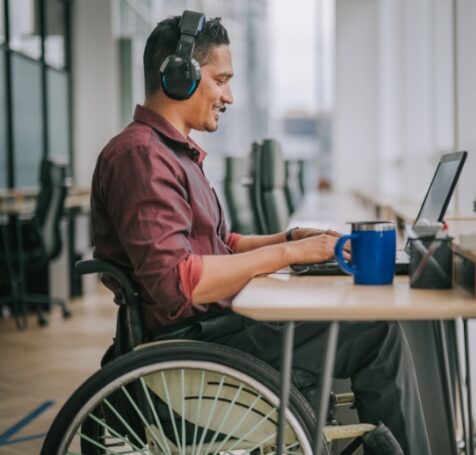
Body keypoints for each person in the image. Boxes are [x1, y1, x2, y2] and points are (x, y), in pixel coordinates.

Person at [90, 13, 431, 454]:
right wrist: (289, 257)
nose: (229, 96)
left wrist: (289, 242)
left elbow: (221, 245)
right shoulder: (142, 157)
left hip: (217, 326)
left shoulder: (171, 153)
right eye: (221, 80)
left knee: (361, 324)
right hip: (195, 342)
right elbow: (179, 283)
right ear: (179, 76)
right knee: (375, 333)